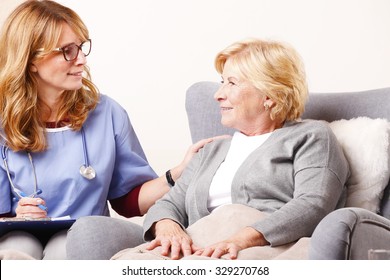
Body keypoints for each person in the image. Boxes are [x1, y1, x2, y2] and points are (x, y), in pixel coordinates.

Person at [67, 38, 350, 260]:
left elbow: (312, 205)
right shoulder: (213, 150)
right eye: (221, 82)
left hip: (261, 249)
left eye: (232, 83)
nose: (218, 94)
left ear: (271, 96)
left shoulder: (312, 137)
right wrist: (168, 227)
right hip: (201, 248)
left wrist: (241, 238)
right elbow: (169, 203)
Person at [0, 0, 213, 260]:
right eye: (67, 50)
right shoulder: (3, 120)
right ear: (31, 60)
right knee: (15, 249)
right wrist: (15, 215)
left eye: (81, 47)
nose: (81, 59)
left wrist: (179, 172)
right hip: (16, 232)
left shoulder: (106, 113)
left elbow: (128, 201)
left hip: (81, 234)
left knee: (65, 247)